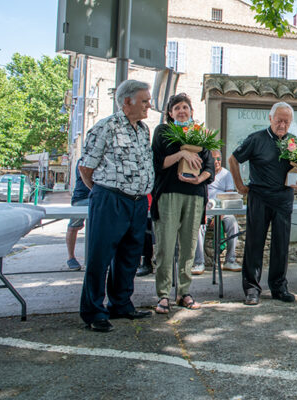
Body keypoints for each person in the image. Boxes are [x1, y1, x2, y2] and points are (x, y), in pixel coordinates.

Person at [78, 79, 154, 333]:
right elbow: (85, 167)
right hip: (111, 199)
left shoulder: (143, 130)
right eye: (144, 101)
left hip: (137, 201)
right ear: (127, 101)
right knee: (100, 257)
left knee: (129, 257)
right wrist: (102, 193)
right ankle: (94, 311)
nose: (148, 105)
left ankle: (121, 303)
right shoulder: (106, 127)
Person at [229, 101, 297, 306]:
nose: (282, 125)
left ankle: (279, 287)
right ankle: (252, 289)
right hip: (259, 196)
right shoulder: (256, 139)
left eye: (287, 121)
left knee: (281, 244)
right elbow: (233, 159)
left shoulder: (295, 142)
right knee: (255, 243)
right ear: (270, 118)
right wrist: (239, 185)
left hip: (284, 198)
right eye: (279, 120)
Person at [151, 93, 215, 314]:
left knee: (188, 247)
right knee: (165, 247)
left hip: (195, 194)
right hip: (169, 193)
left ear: (191, 112)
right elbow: (158, 163)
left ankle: (184, 293)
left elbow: (210, 167)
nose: (181, 111)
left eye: (185, 107)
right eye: (177, 108)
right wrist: (182, 154)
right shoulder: (163, 131)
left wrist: (200, 178)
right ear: (170, 113)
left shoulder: (199, 135)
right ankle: (163, 295)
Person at [192, 149, 241, 274]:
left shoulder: (226, 174)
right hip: (206, 209)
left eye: (219, 159)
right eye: (214, 159)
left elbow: (229, 196)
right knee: (197, 227)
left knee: (233, 224)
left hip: (223, 209)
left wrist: (220, 215)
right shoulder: (203, 173)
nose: (217, 162)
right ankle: (199, 263)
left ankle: (230, 260)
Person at [66, 158, 90, 271]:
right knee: (73, 227)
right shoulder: (83, 160)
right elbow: (85, 175)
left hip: (97, 198)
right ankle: (71, 257)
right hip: (82, 198)